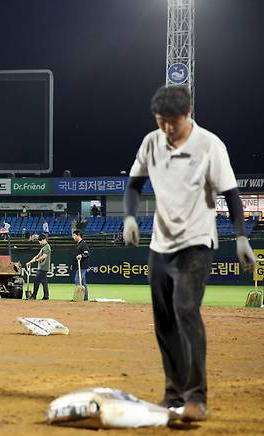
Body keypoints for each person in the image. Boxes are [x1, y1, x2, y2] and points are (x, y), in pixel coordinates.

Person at [123, 85, 257, 422]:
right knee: (164, 320)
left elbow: (231, 194)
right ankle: (173, 393)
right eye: (161, 121)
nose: (167, 128)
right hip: (159, 244)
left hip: (196, 242)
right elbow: (134, 185)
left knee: (186, 311)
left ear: (189, 115)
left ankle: (197, 397)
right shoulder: (151, 142)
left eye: (173, 122)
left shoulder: (210, 145)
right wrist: (128, 217)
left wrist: (241, 236)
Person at [26, 235, 51, 300]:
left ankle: (34, 295)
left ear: (43, 239)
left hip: (43, 267)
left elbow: (44, 256)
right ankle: (46, 296)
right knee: (44, 282)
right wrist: (30, 261)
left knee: (36, 281)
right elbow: (37, 256)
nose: (39, 242)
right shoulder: (43, 247)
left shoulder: (47, 247)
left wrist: (36, 260)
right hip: (43, 267)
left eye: (40, 241)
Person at [71, 230, 89, 301]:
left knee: (77, 280)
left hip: (82, 266)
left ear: (78, 235)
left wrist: (81, 255)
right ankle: (85, 298)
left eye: (74, 235)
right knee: (82, 282)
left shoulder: (83, 244)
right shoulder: (79, 244)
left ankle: (79, 297)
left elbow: (87, 254)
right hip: (79, 266)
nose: (73, 237)